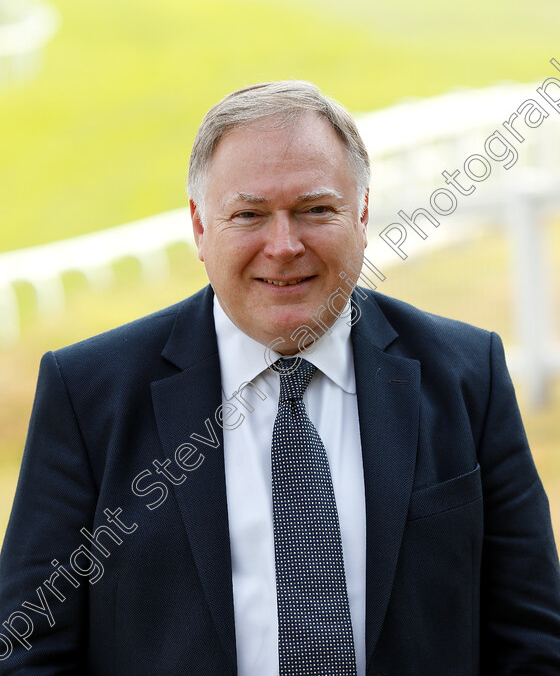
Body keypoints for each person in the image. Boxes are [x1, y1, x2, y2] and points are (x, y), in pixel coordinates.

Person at [1, 80, 559, 675]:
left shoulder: (468, 376)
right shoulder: (89, 393)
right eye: (249, 215)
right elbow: (27, 649)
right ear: (199, 226)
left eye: (316, 210)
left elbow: (533, 641)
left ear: (363, 214)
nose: (284, 245)